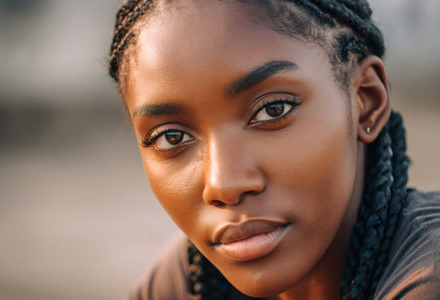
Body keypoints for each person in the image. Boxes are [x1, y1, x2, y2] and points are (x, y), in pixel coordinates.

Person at [108, 0, 440, 299]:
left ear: (366, 101)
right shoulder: (191, 281)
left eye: (273, 110)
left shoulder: (428, 277)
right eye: (172, 137)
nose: (224, 185)